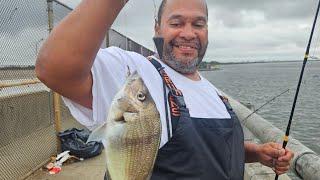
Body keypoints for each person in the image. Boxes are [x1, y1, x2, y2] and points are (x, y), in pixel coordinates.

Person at [35, 0, 294, 179]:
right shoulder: (136, 72)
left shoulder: (212, 92)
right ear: (157, 27)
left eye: (198, 24)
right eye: (177, 22)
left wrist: (256, 153)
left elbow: (213, 151)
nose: (188, 33)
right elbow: (55, 68)